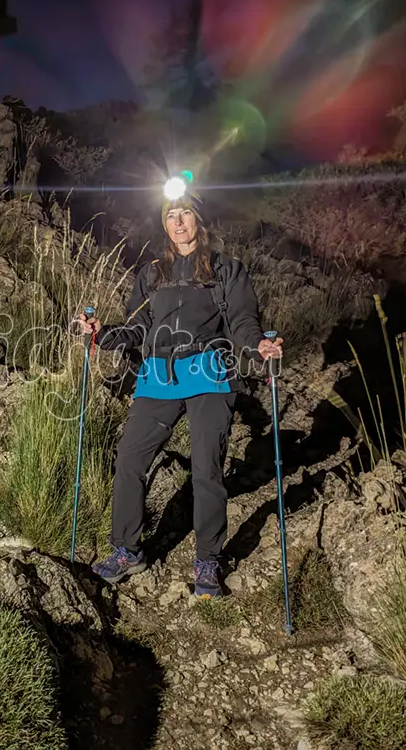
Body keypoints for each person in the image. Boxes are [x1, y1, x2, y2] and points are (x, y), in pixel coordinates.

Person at [76, 192, 282, 598]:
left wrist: (258, 346)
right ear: (164, 223)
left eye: (185, 212)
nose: (178, 221)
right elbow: (137, 328)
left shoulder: (227, 269)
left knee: (207, 470)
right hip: (158, 377)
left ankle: (208, 560)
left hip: (209, 374)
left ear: (199, 219)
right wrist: (101, 335)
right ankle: (126, 550)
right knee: (131, 459)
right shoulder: (151, 274)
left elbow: (242, 319)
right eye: (171, 215)